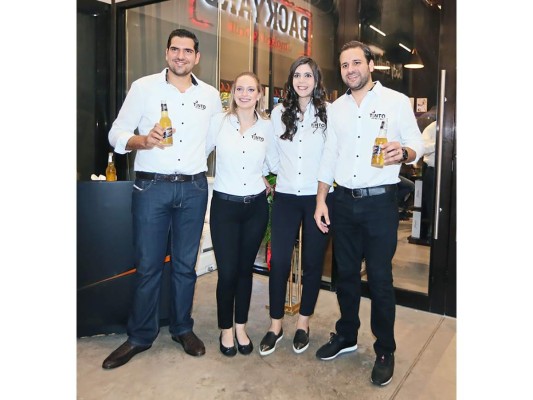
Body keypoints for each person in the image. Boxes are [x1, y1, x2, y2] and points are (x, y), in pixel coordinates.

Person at [103, 28, 223, 369]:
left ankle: (182, 328)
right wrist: (143, 141)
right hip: (151, 188)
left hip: (194, 188)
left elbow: (213, 141)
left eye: (188, 51)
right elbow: (116, 132)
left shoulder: (211, 96)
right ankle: (140, 335)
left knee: (186, 266)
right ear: (166, 53)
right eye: (175, 49)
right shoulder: (144, 88)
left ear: (197, 57)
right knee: (148, 266)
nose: (181, 56)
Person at [313, 40, 424, 386]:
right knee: (344, 274)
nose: (350, 70)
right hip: (343, 202)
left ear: (370, 65)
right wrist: (321, 200)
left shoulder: (395, 102)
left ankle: (385, 349)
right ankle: (346, 334)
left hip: (379, 203)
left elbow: (417, 144)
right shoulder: (336, 108)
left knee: (379, 277)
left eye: (356, 63)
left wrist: (404, 152)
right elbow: (329, 156)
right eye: (344, 65)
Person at [258, 56, 332, 356]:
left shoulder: (327, 114)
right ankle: (275, 325)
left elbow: (331, 156)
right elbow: (271, 152)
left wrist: (322, 197)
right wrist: (272, 175)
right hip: (287, 197)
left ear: (316, 80)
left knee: (313, 264)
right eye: (297, 75)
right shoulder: (278, 113)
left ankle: (303, 324)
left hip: (317, 199)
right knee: (279, 264)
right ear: (291, 80)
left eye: (308, 75)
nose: (302, 80)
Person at [206, 72, 278, 357]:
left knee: (245, 271)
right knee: (227, 273)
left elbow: (273, 163)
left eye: (251, 89)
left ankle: (240, 326)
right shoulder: (219, 123)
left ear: (260, 94)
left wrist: (266, 179)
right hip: (224, 206)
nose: (245, 94)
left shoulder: (268, 127)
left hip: (255, 209)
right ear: (233, 92)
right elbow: (199, 151)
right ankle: (225, 329)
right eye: (240, 89)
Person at [421, 120, 437, 241]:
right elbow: (423, 148)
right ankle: (432, 235)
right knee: (432, 204)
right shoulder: (432, 127)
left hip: (448, 173)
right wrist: (439, 143)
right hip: (432, 171)